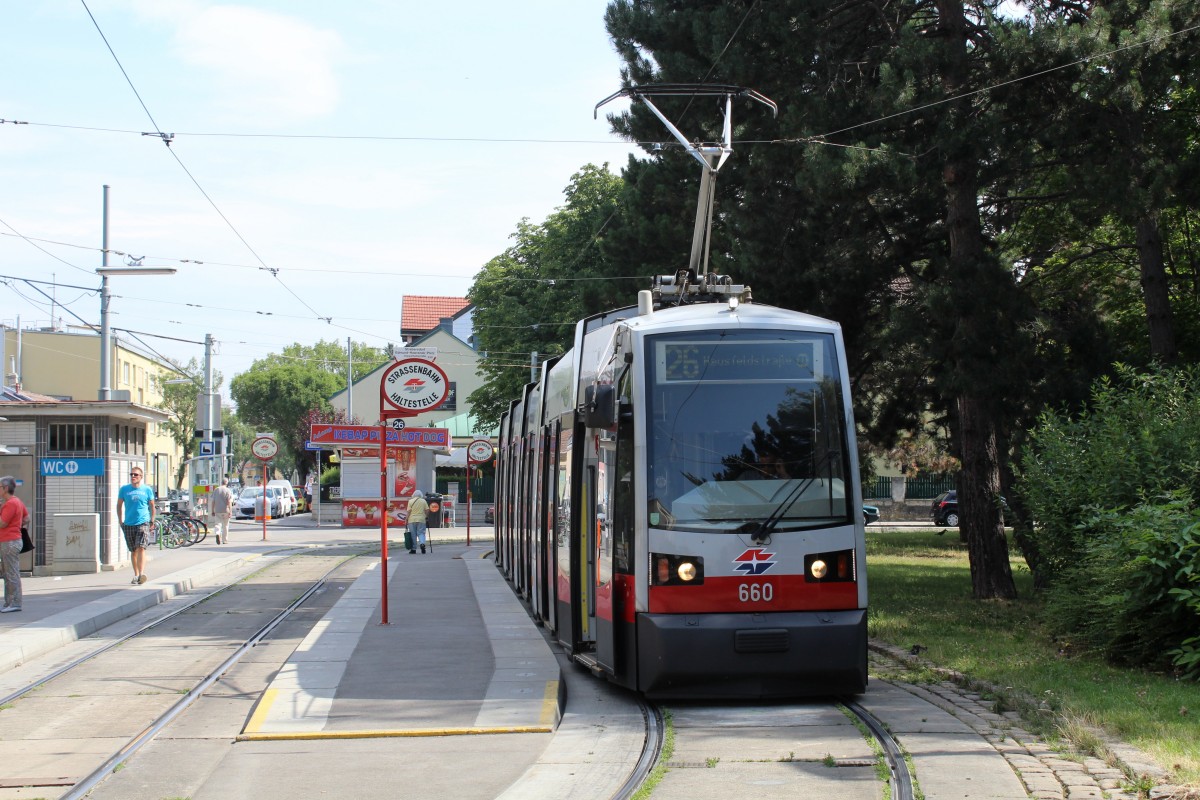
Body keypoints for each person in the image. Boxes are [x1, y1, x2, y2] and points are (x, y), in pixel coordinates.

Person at [116, 467, 156, 585]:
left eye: (136, 475)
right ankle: (136, 574)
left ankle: (142, 573)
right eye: (132, 474)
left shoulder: (147, 490)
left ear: (141, 477)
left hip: (143, 522)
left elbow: (152, 506)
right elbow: (119, 505)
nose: (133, 476)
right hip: (128, 523)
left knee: (141, 547)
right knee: (133, 551)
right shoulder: (124, 489)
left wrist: (152, 520)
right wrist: (120, 520)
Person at [0, 475, 28, 613]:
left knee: (11, 573)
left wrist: (13, 527)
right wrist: (18, 525)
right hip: (12, 540)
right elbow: (27, 518)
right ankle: (8, 603)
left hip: (9, 542)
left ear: (5, 488)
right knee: (7, 573)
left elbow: (2, 523)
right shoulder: (17, 501)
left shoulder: (10, 503)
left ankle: (15, 603)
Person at [209, 477, 235, 544]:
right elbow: (229, 502)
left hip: (218, 510)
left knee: (217, 524)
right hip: (226, 510)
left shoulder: (216, 490)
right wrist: (230, 511)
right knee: (225, 525)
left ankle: (217, 533)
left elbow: (213, 501)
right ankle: (225, 540)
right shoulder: (228, 490)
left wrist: (212, 510)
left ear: (221, 482)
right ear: (226, 483)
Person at [406, 490, 429, 554]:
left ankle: (413, 549)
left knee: (413, 535)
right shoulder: (423, 501)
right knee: (421, 533)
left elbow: (408, 512)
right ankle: (422, 544)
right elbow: (427, 510)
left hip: (412, 520)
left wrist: (406, 519)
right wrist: (426, 516)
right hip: (421, 519)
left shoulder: (410, 501)